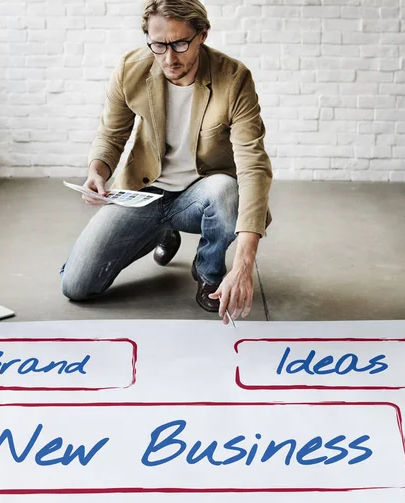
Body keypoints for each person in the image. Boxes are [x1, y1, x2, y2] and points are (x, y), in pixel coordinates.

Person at [61, 0, 272, 323]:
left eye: (180, 43)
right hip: (144, 192)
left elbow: (253, 165)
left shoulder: (234, 78)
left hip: (202, 194)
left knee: (226, 191)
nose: (169, 58)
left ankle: (208, 272)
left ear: (202, 35)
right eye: (159, 45)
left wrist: (244, 265)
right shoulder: (131, 69)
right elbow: (111, 135)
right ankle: (161, 232)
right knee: (76, 285)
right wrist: (97, 172)